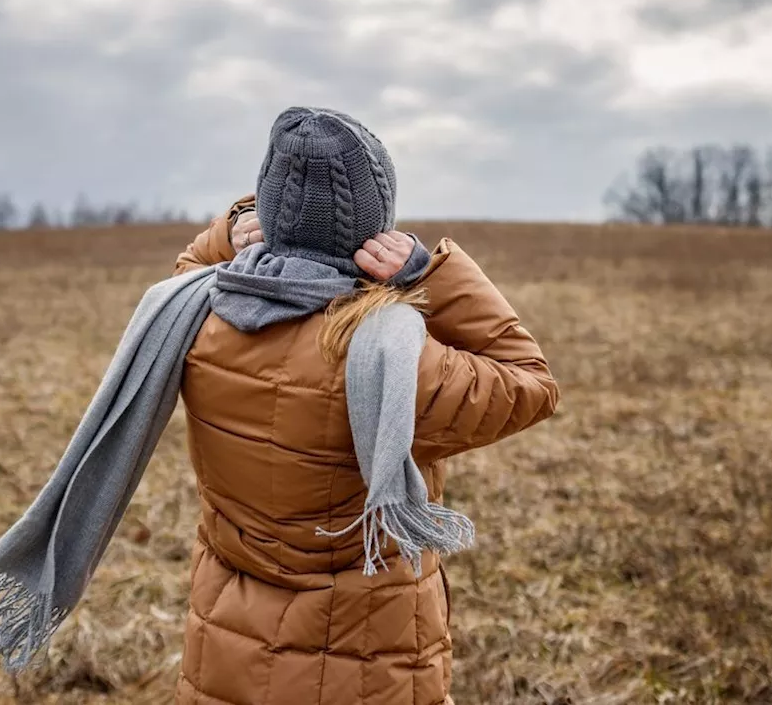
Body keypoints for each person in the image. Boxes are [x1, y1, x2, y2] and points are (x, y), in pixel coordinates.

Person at [170, 108, 560, 704]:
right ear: (375, 228)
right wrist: (432, 274)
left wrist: (232, 232)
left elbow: (190, 270)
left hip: (229, 653)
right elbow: (530, 382)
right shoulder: (394, 356)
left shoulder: (200, 320)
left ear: (271, 215)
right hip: (366, 665)